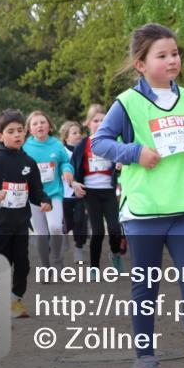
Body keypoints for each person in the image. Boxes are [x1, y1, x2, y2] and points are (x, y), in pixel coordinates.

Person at [93, 22, 184, 368]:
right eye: (163, 55)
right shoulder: (127, 103)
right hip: (143, 210)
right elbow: (99, 143)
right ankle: (145, 362)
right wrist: (135, 152)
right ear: (141, 64)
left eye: (175, 53)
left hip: (183, 206)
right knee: (146, 287)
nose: (173, 60)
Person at [0, 109, 53, 318]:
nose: (17, 135)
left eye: (20, 130)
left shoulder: (29, 162)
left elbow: (35, 191)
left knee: (23, 264)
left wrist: (44, 200)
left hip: (20, 223)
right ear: (1, 136)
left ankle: (15, 300)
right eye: (11, 131)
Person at [73, 104, 122, 271]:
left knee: (115, 228)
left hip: (109, 191)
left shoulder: (113, 142)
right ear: (88, 123)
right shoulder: (83, 145)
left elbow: (122, 161)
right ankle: (94, 267)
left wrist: (120, 167)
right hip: (91, 192)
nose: (100, 123)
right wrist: (74, 183)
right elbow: (73, 167)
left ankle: (115, 254)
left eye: (103, 120)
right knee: (98, 231)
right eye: (96, 120)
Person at [22, 111, 74, 269]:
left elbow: (66, 162)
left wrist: (67, 170)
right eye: (35, 123)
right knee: (41, 234)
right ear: (30, 129)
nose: (40, 125)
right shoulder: (25, 147)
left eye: (43, 122)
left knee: (56, 227)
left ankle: (57, 258)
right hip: (33, 197)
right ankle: (45, 267)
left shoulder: (57, 145)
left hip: (53, 194)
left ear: (49, 126)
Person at [59, 120, 89, 264]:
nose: (78, 135)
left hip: (80, 193)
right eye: (74, 133)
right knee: (68, 223)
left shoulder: (84, 150)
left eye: (79, 133)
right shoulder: (61, 151)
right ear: (66, 137)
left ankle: (78, 247)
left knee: (80, 221)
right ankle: (65, 234)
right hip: (64, 193)